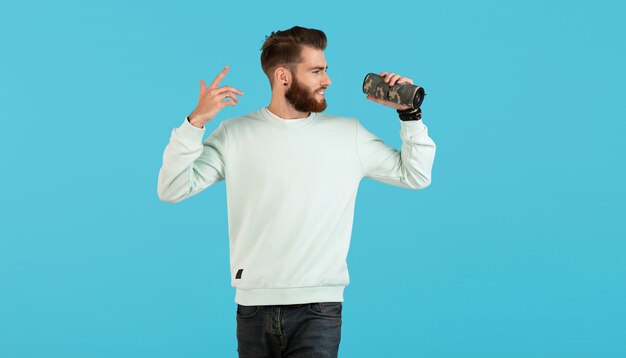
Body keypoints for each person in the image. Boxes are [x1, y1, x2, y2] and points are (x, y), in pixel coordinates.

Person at [157, 26, 436, 358]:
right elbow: (172, 188)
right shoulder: (235, 134)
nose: (327, 80)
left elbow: (416, 175)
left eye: (325, 70)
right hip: (253, 307)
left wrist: (410, 114)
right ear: (283, 76)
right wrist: (194, 124)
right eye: (316, 71)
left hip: (319, 310)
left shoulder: (349, 135)